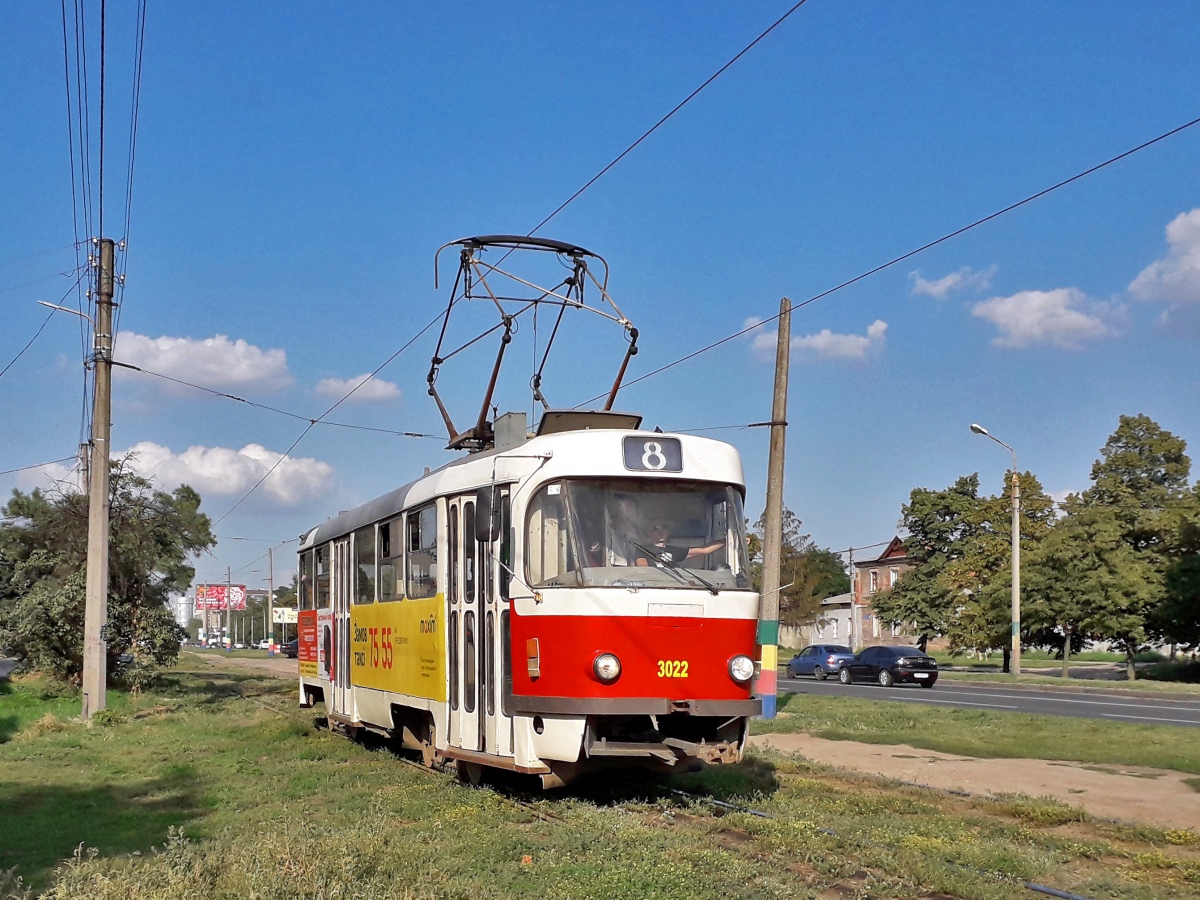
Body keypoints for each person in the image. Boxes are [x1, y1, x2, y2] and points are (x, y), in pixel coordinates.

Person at [634, 519, 724, 567]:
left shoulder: (674, 551)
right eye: (656, 528)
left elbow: (703, 550)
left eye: (663, 527)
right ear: (648, 533)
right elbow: (643, 568)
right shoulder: (642, 549)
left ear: (668, 531)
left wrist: (725, 541)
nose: (660, 531)